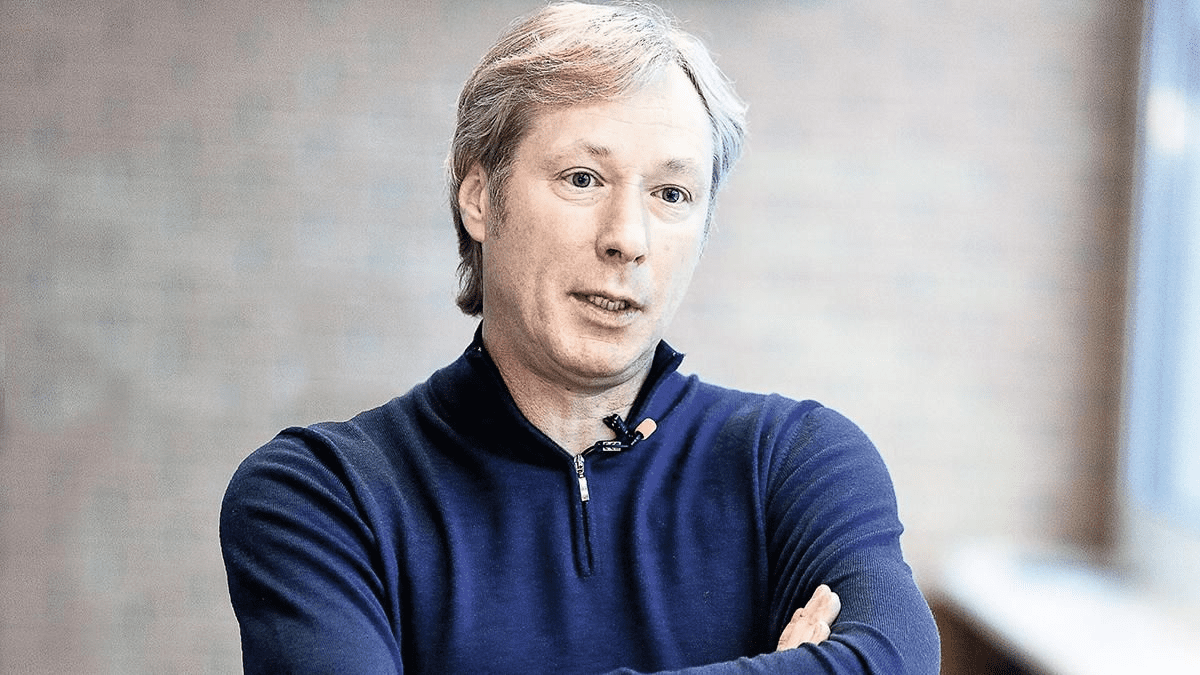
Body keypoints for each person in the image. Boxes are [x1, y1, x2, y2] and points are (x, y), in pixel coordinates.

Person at [219, 2, 941, 673]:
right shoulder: (322, 498)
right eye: (583, 178)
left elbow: (894, 658)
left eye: (671, 194)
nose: (628, 238)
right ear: (480, 197)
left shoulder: (796, 464)